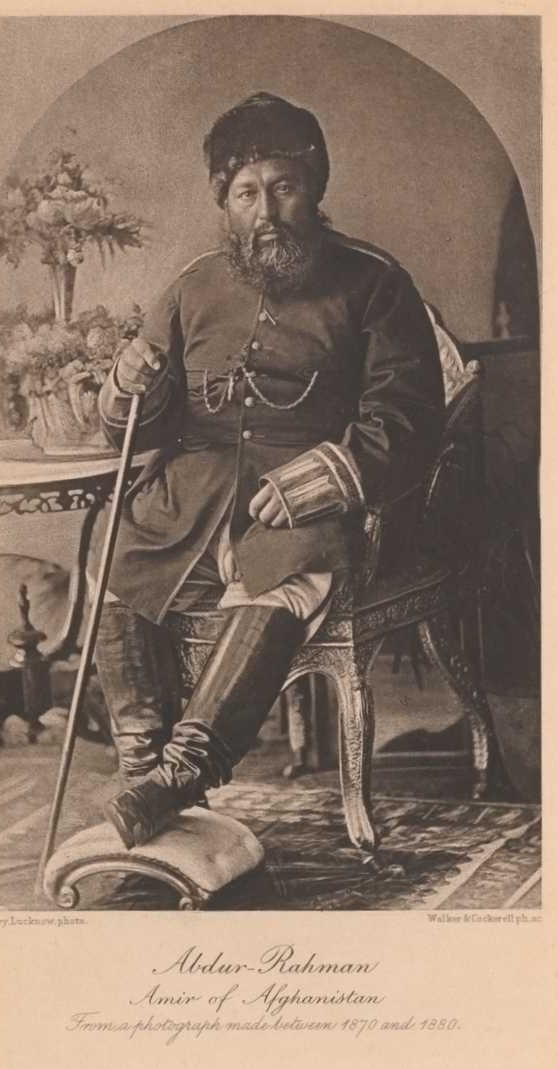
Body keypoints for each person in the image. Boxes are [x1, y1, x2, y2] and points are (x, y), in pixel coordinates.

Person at [93, 92, 445, 849]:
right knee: (115, 556)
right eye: (247, 194)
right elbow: (135, 430)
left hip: (310, 501)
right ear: (225, 203)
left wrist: (325, 478)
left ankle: (182, 773)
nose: (267, 212)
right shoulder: (192, 286)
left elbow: (408, 420)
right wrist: (128, 382)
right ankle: (140, 770)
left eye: (283, 188)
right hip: (195, 502)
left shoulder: (375, 282)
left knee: (283, 577)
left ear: (314, 189)